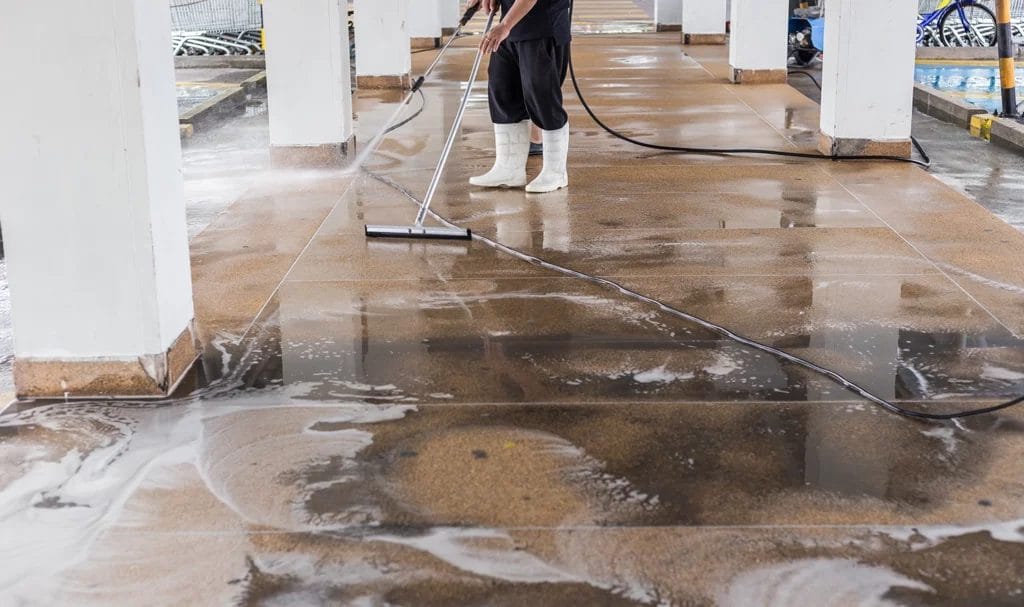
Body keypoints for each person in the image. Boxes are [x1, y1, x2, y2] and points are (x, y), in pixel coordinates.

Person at [467, 0, 572, 193]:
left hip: (542, 27)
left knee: (542, 97)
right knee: (502, 89)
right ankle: (508, 169)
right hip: (511, 26)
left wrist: (505, 25)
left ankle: (556, 173)